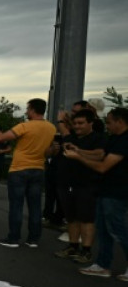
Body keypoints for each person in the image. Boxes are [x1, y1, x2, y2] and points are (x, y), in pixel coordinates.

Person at [63, 107, 128, 280]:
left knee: (118, 230)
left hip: (116, 192)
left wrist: (78, 157)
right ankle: (102, 265)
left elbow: (102, 166)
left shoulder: (124, 141)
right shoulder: (115, 138)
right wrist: (78, 150)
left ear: (120, 122)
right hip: (104, 190)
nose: (107, 125)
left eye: (109, 122)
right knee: (104, 231)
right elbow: (100, 157)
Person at [0, 98, 57, 248]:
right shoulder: (51, 128)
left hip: (19, 169)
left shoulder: (25, 126)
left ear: (32, 110)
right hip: (38, 169)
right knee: (35, 206)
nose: (26, 111)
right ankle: (33, 239)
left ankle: (13, 238)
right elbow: (49, 151)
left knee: (17, 205)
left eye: (27, 108)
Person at [53, 109, 104, 263]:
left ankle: (86, 251)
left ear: (91, 123)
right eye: (75, 123)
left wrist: (79, 152)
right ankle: (72, 246)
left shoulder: (98, 138)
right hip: (67, 184)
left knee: (86, 219)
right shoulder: (71, 137)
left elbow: (100, 154)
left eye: (81, 123)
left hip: (87, 184)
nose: (77, 126)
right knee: (71, 218)